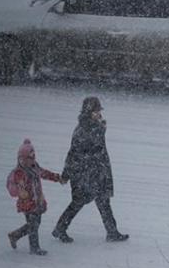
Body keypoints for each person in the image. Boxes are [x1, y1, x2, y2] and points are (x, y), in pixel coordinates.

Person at [52, 96, 129, 243]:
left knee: (102, 201)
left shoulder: (92, 126)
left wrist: (100, 128)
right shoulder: (85, 129)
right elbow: (76, 153)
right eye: (96, 111)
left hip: (95, 173)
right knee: (80, 202)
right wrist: (67, 174)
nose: (99, 113)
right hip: (87, 174)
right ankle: (61, 228)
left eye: (99, 110)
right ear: (88, 112)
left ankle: (111, 231)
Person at [7, 139, 65, 256]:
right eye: (27, 159)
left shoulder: (34, 167)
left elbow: (44, 173)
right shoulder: (19, 173)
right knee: (33, 224)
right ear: (20, 159)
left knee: (34, 224)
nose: (31, 161)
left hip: (37, 201)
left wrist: (56, 177)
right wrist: (19, 191)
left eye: (32, 158)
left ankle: (15, 235)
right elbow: (12, 186)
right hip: (27, 202)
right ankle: (34, 248)